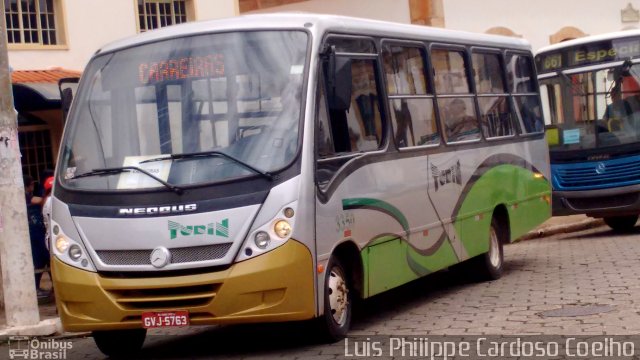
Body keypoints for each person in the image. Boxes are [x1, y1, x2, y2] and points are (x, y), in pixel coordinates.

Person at [24, 175, 50, 298]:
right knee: (41, 260)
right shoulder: (24, 197)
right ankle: (35, 288)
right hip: (34, 233)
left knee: (42, 261)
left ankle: (38, 288)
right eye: (32, 184)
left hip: (36, 233)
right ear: (29, 186)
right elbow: (39, 201)